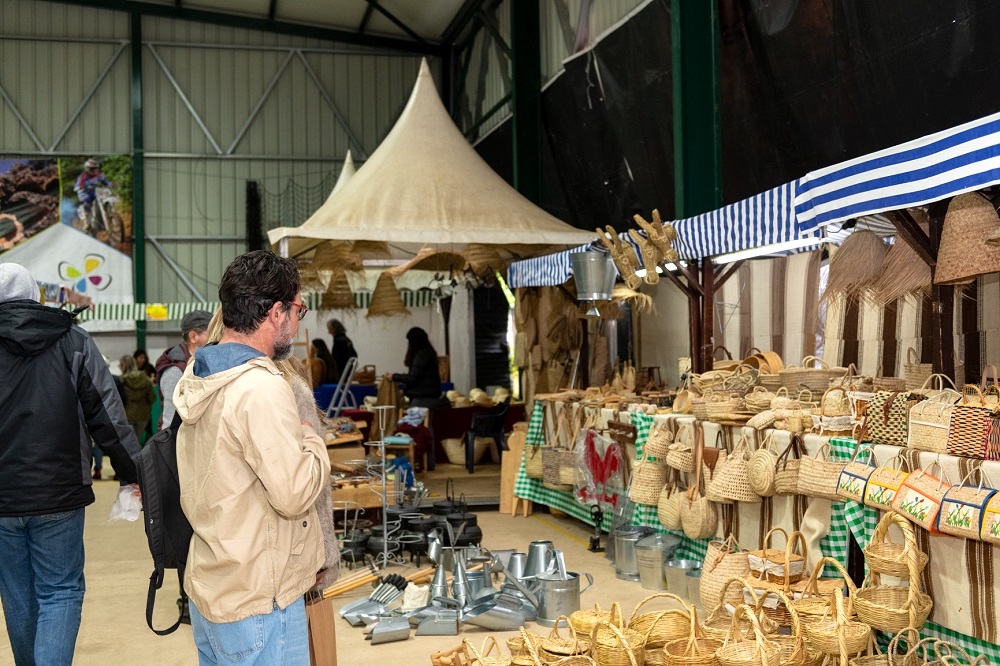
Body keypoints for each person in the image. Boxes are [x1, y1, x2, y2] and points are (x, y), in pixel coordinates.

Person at [175, 251, 330, 664]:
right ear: (276, 312)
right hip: (259, 602)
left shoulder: (200, 372)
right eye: (298, 309)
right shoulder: (260, 388)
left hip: (215, 585)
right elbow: (294, 495)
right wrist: (311, 439)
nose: (299, 322)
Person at [0, 262, 140, 665]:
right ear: (35, 294)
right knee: (59, 590)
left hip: (3, 498)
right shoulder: (73, 340)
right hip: (59, 491)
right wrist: (133, 471)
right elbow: (108, 415)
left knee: (17, 596)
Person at [155, 309, 211, 428]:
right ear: (193, 336)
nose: (217, 337)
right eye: (211, 332)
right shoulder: (175, 370)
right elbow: (170, 418)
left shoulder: (206, 362)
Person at [391, 326, 447, 408]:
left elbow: (413, 378)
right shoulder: (429, 353)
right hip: (431, 396)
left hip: (422, 400)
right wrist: (405, 391)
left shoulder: (421, 355)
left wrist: (393, 376)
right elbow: (419, 378)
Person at [119, 354, 155, 445]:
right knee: (138, 440)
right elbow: (152, 398)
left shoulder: (121, 381)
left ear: (124, 366)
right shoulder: (146, 379)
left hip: (127, 414)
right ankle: (138, 458)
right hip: (143, 415)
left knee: (128, 442)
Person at [73, 158, 113, 224]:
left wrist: (110, 184)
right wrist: (80, 187)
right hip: (84, 192)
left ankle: (108, 214)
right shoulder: (83, 176)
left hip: (94, 191)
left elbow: (105, 182)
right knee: (87, 203)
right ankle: (86, 223)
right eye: (93, 169)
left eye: (96, 168)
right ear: (88, 169)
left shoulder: (99, 175)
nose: (95, 170)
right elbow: (77, 185)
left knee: (104, 197)